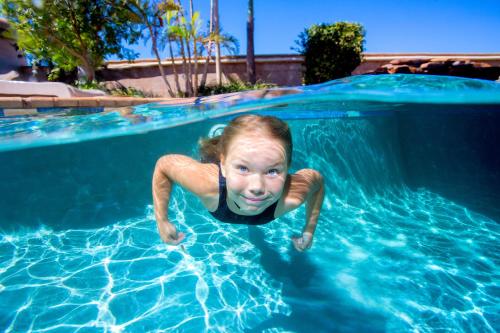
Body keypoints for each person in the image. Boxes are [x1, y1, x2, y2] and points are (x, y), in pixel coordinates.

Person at [152, 114, 324, 252]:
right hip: (215, 164)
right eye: (243, 168)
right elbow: (164, 164)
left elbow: (318, 181)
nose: (257, 187)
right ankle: (219, 142)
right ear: (224, 166)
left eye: (272, 171)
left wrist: (309, 229)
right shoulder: (208, 184)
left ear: (287, 169)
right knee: (207, 154)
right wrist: (162, 220)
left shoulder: (292, 196)